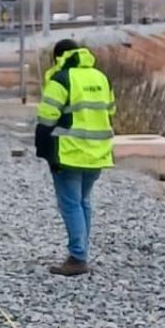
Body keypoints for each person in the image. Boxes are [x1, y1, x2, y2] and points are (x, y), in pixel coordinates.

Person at [34, 38, 115, 276]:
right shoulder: (101, 77)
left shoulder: (61, 79)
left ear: (58, 57)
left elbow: (47, 117)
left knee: (70, 204)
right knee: (83, 202)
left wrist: (44, 147)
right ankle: (81, 252)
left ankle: (78, 257)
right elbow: (110, 110)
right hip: (98, 152)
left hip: (69, 152)